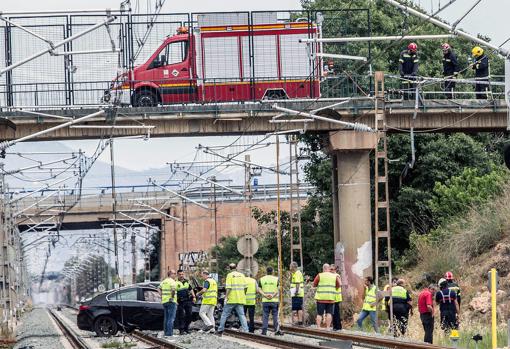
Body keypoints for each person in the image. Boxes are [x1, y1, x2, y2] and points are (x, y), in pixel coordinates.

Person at [216, 263, 249, 336]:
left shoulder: (229, 275)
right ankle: (246, 331)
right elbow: (246, 287)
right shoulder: (242, 275)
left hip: (231, 299)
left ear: (229, 268)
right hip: (240, 299)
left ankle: (220, 330)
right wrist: (243, 294)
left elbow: (229, 288)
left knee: (224, 315)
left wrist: (226, 297)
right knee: (242, 315)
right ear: (236, 267)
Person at [313, 263, 340, 329]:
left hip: (321, 298)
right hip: (330, 298)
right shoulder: (334, 276)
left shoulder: (319, 275)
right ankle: (328, 328)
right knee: (329, 313)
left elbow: (314, 284)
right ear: (328, 268)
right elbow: (338, 285)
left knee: (319, 314)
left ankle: (318, 327)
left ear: (323, 268)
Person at [259, 267, 283, 335]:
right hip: (274, 301)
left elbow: (259, 289)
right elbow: (279, 289)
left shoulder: (262, 279)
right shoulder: (276, 279)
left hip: (265, 301)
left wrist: (265, 295)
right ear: (272, 271)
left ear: (266, 271)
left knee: (265, 316)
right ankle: (276, 330)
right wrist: (272, 295)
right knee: (275, 316)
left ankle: (264, 331)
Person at [175, 269, 196, 335]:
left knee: (189, 315)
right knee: (181, 316)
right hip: (180, 301)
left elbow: (191, 289)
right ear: (177, 275)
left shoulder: (187, 282)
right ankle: (181, 330)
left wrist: (194, 296)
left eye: (182, 274)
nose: (181, 275)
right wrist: (175, 300)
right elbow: (174, 292)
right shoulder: (175, 282)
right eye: (180, 274)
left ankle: (186, 329)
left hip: (188, 300)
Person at [158, 270, 177, 339]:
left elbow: (158, 288)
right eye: (174, 273)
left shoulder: (164, 281)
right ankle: (169, 334)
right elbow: (173, 290)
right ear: (170, 274)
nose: (175, 275)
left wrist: (161, 296)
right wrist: (172, 297)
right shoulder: (172, 281)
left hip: (165, 301)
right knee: (171, 318)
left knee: (166, 318)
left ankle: (166, 333)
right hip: (171, 301)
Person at [330, 264, 342, 331]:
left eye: (332, 269)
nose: (330, 270)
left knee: (335, 312)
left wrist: (335, 287)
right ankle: (337, 326)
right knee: (334, 312)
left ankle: (337, 327)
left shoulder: (336, 275)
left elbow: (339, 284)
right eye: (330, 269)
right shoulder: (333, 275)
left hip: (336, 297)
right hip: (334, 297)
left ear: (335, 270)